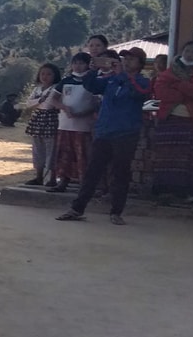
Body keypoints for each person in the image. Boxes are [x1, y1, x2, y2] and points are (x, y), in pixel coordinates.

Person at [56, 48, 152, 225]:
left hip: (126, 133)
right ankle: (77, 209)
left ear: (140, 64)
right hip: (104, 131)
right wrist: (93, 70)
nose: (127, 62)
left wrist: (121, 74)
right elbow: (91, 86)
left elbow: (138, 92)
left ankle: (116, 211)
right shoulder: (111, 80)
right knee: (93, 171)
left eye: (131, 59)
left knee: (120, 173)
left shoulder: (143, 81)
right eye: (125, 58)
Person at [150, 41, 193, 206]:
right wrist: (185, 92)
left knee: (192, 159)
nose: (189, 54)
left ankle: (192, 193)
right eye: (187, 50)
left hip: (192, 120)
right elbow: (161, 92)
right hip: (170, 119)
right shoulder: (169, 71)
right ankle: (166, 191)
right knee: (167, 156)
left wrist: (177, 85)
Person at [48, 52, 97, 193]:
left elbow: (96, 103)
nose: (77, 66)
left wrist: (81, 114)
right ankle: (63, 181)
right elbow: (53, 99)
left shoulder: (92, 82)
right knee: (64, 154)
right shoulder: (66, 81)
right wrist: (64, 107)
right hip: (65, 124)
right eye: (75, 63)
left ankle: (84, 184)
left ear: (88, 65)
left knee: (82, 155)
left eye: (81, 63)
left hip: (83, 126)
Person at [24, 63, 62, 186]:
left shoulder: (57, 88)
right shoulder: (37, 89)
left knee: (51, 149)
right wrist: (39, 101)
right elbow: (28, 103)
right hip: (38, 118)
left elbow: (49, 103)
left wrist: (37, 102)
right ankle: (39, 176)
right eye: (42, 74)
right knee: (37, 149)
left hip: (51, 118)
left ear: (55, 76)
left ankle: (52, 178)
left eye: (49, 74)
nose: (45, 77)